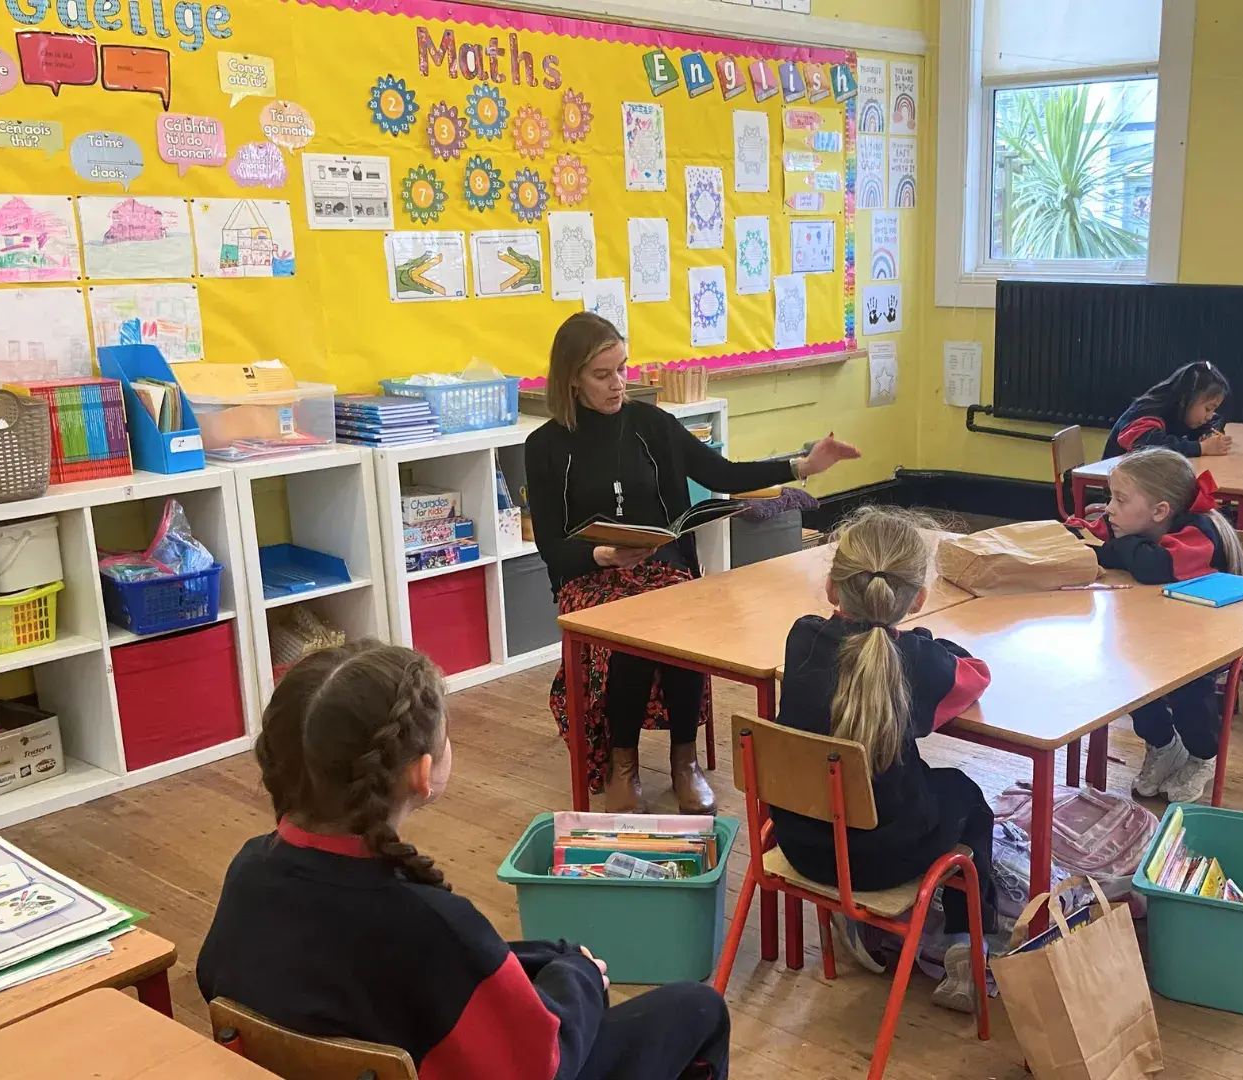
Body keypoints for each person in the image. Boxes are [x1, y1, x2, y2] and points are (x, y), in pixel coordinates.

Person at [196, 642, 731, 1080]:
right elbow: (542, 1064)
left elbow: (217, 980)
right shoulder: (431, 927)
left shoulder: (248, 871)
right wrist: (582, 980)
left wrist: (552, 961)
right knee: (698, 1010)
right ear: (421, 774)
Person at [524, 313, 859, 813]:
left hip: (662, 568)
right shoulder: (545, 446)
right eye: (603, 374)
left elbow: (720, 470)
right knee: (632, 633)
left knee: (680, 624)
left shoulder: (649, 424)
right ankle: (624, 765)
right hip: (592, 580)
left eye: (622, 369)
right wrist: (605, 554)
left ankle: (684, 760)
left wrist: (802, 465)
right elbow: (550, 543)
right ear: (572, 377)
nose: (619, 384)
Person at [773, 507, 993, 1013]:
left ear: (832, 589)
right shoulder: (920, 662)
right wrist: (927, 642)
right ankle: (965, 944)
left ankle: (850, 918)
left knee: (865, 796)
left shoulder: (801, 638)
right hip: (885, 856)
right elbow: (975, 675)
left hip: (800, 843)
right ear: (917, 598)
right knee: (967, 797)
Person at [1081, 448, 1243, 803]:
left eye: (1120, 500)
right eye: (1110, 497)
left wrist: (1114, 548)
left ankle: (1204, 756)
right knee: (1125, 677)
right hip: (1153, 635)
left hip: (1207, 644)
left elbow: (1153, 566)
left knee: (1189, 692)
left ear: (1160, 511)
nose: (1109, 508)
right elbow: (1089, 539)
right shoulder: (1132, 522)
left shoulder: (1201, 533)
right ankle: (1163, 745)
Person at [1102, 361, 1234, 461]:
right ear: (1185, 399)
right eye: (1208, 409)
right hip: (1116, 488)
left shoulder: (1182, 414)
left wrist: (1207, 435)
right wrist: (1202, 448)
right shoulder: (1148, 411)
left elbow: (1214, 421)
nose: (1210, 416)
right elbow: (1150, 446)